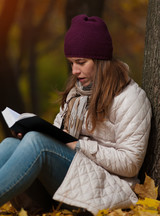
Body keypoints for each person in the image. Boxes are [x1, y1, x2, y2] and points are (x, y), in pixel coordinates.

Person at [0, 15, 152, 215]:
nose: (74, 70)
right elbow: (57, 138)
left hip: (107, 189)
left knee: (36, 142)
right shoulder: (76, 93)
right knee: (12, 144)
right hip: (72, 177)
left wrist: (78, 145)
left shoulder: (130, 97)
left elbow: (130, 164)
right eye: (71, 63)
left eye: (80, 62)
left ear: (100, 60)